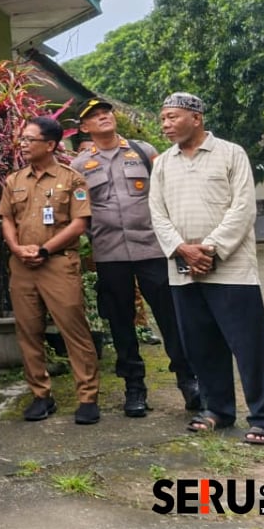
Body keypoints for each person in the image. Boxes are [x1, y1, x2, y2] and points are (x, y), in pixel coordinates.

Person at [149, 92, 264, 445]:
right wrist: (182, 250)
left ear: (196, 117)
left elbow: (243, 209)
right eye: (162, 118)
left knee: (249, 346)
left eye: (172, 117)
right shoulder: (162, 163)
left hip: (231, 269)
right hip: (182, 270)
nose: (165, 124)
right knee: (202, 346)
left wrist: (208, 250)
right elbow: (157, 215)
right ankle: (217, 411)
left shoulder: (230, 153)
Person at [71, 98, 199, 417]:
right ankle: (134, 388)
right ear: (84, 127)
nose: (103, 118)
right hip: (110, 253)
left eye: (105, 113)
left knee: (170, 317)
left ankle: (190, 382)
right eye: (94, 117)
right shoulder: (78, 166)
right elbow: (78, 211)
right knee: (121, 323)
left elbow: (168, 193)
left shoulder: (144, 151)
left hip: (152, 248)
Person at [0, 116, 101, 425]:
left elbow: (79, 224)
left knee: (74, 330)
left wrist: (45, 249)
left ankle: (87, 397)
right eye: (23, 139)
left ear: (50, 145)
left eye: (30, 139)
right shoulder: (14, 180)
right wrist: (16, 248)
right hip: (22, 267)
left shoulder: (72, 180)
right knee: (28, 332)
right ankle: (41, 395)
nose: (24, 144)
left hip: (57, 264)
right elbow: (5, 218)